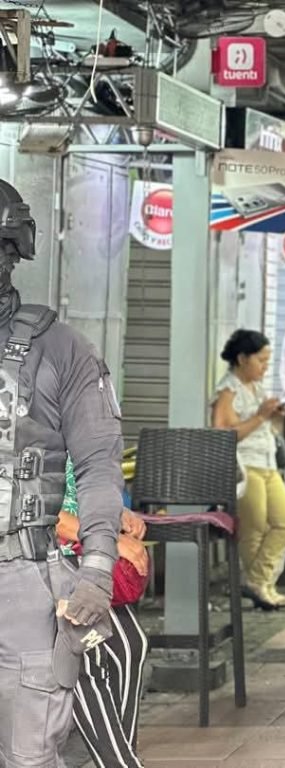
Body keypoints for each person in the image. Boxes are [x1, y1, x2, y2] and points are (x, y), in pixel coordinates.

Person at [0, 179, 124, 766]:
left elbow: (99, 465)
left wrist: (96, 572)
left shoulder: (62, 350)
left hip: (21, 579)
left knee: (29, 754)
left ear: (12, 253)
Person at [57, 459, 149, 768]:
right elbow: (25, 507)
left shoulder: (72, 431)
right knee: (87, 646)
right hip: (32, 557)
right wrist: (104, 537)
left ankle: (121, 758)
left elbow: (80, 487)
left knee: (131, 645)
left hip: (78, 555)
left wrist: (115, 513)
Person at [212, 329, 285, 611]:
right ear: (242, 359)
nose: (265, 367)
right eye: (260, 360)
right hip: (245, 466)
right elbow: (222, 433)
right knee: (255, 528)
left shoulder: (256, 386)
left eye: (267, 361)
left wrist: (272, 416)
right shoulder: (228, 390)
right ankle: (263, 586)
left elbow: (260, 426)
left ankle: (257, 581)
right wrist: (261, 415)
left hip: (267, 463)